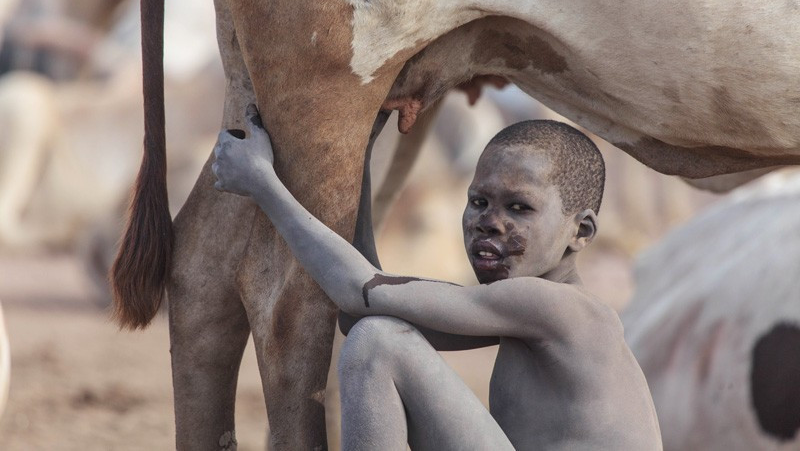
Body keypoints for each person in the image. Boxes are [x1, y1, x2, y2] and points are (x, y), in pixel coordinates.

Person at [212, 104, 662, 450]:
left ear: (579, 232)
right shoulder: (520, 312)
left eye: (519, 208)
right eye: (479, 202)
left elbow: (358, 292)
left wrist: (262, 183)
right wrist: (360, 160)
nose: (490, 222)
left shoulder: (557, 308)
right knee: (375, 331)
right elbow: (364, 301)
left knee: (378, 341)